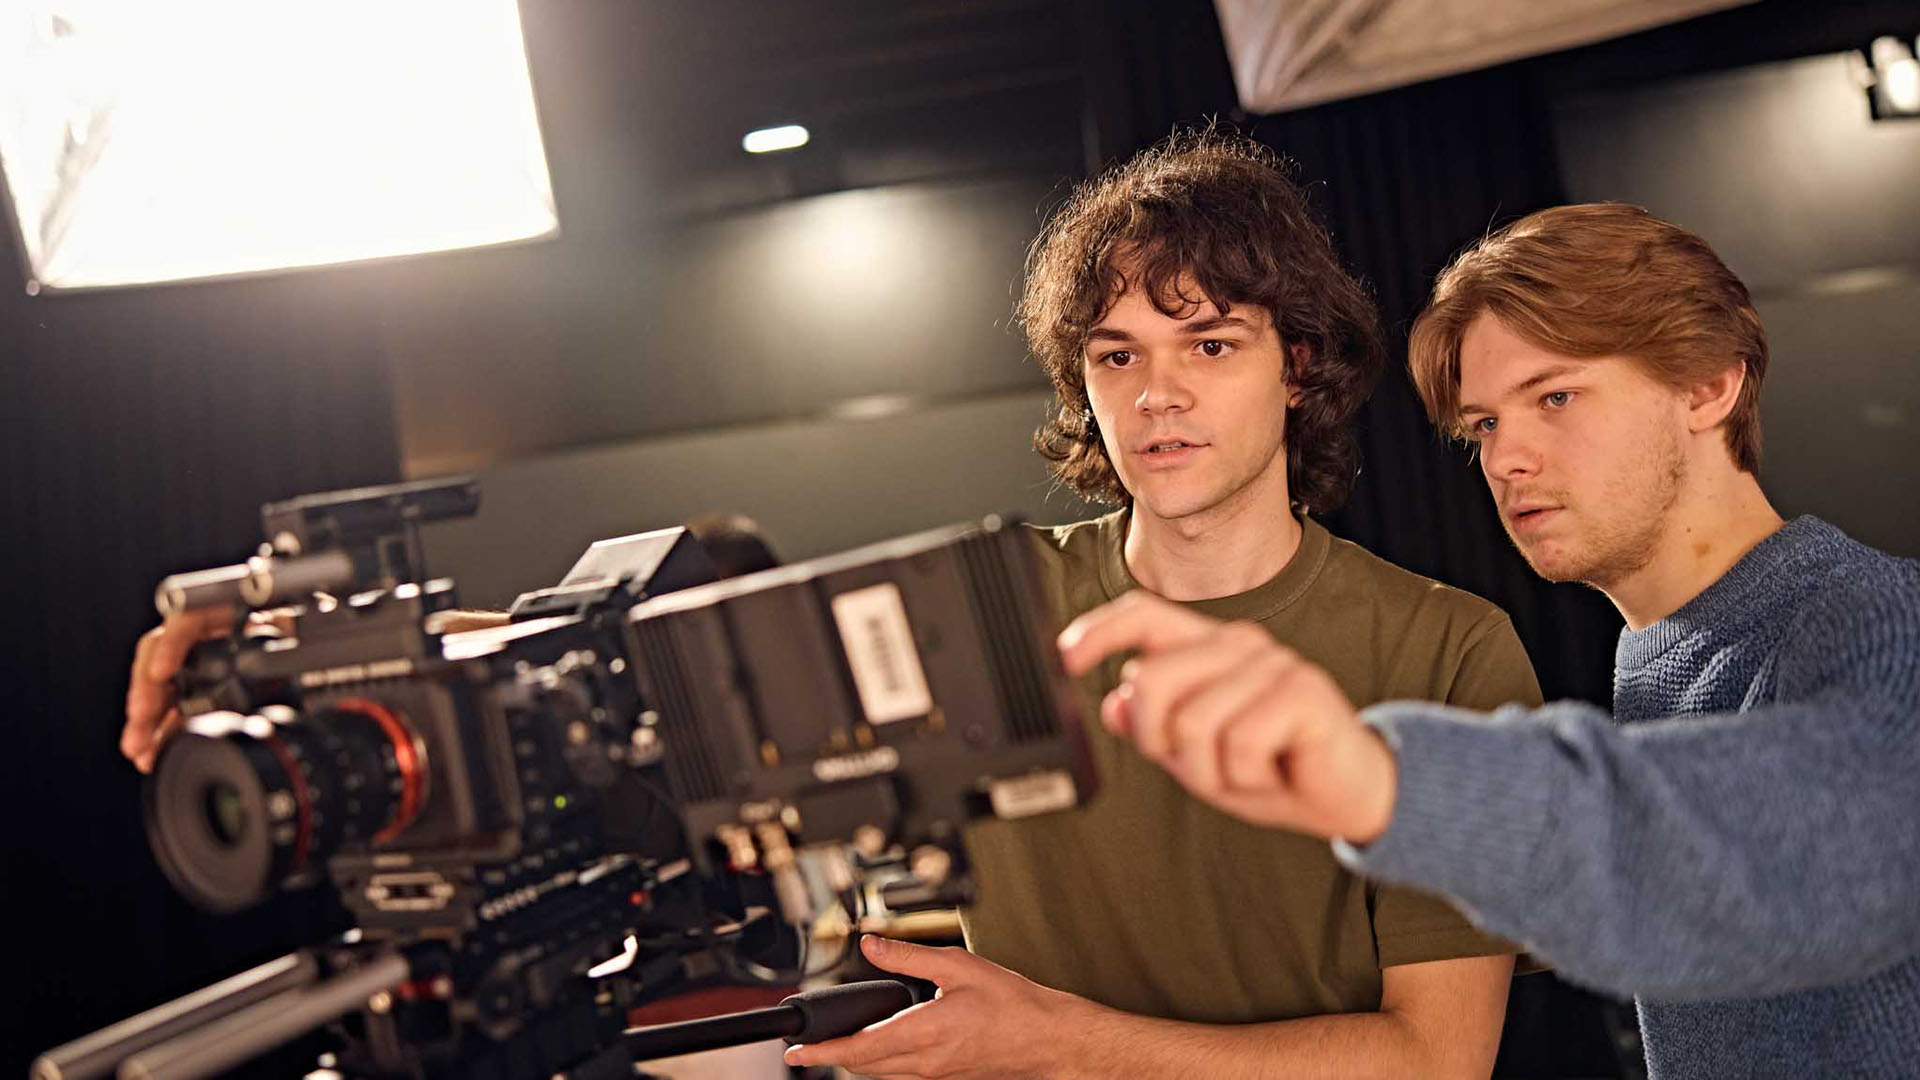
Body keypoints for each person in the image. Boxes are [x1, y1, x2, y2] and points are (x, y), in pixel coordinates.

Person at [1058, 204, 1920, 1079]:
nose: (1507, 460)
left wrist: (1380, 776)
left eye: (1555, 397)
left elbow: (1827, 847)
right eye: (1487, 425)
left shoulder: (1878, 616)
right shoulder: (1666, 659)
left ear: (1707, 386)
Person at [786, 133, 1535, 1079]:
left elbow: (1438, 1059)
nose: (1157, 396)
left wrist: (1065, 1045)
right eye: (1117, 357)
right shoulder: (983, 610)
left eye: (1210, 344)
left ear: (1297, 367)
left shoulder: (1448, 650)